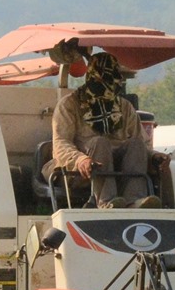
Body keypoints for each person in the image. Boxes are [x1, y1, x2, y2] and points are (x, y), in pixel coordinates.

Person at [51, 48, 161, 207]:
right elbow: (60, 145)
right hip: (77, 171)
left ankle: (134, 201)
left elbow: (142, 144)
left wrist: (155, 157)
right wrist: (80, 159)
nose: (111, 86)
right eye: (106, 80)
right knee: (100, 143)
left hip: (118, 169)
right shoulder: (69, 105)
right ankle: (106, 202)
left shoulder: (124, 107)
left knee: (136, 144)